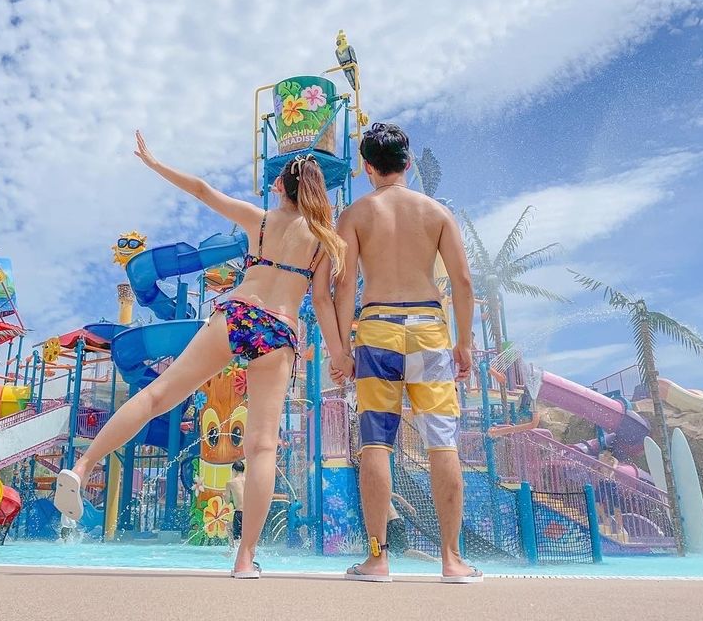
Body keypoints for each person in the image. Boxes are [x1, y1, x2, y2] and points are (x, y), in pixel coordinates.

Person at [54, 131, 346, 579]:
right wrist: (339, 354)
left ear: (283, 187)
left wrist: (155, 164)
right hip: (279, 330)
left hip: (238, 313)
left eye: (274, 184)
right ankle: (245, 559)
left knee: (158, 395)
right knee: (263, 444)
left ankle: (82, 464)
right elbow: (323, 302)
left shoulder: (261, 221)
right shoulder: (326, 239)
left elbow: (202, 191)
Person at [332, 122, 480, 584]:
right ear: (408, 163)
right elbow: (463, 283)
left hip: (376, 330)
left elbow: (343, 287)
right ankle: (452, 561)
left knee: (376, 441)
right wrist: (464, 343)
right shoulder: (436, 213)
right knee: (442, 441)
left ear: (367, 167)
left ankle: (377, 560)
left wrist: (341, 348)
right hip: (429, 330)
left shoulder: (355, 215)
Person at [387, 494, 437, 562]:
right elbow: (397, 497)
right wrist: (410, 507)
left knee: (405, 551)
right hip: (390, 524)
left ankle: (433, 560)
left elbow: (397, 497)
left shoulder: (378, 491)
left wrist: (410, 507)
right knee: (387, 549)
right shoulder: (377, 491)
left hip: (393, 524)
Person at [225, 460, 246, 550]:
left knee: (236, 537)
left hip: (239, 513)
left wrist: (224, 496)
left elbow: (227, 501)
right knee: (247, 535)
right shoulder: (249, 481)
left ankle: (232, 550)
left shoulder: (231, 483)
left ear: (234, 470)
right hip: (250, 513)